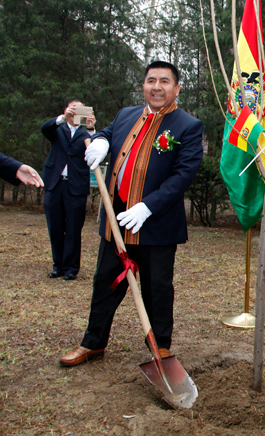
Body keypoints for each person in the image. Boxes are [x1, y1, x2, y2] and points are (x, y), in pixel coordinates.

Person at [59, 61, 203, 367]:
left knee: (158, 289)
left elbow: (183, 175)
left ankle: (160, 347)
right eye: (151, 80)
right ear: (143, 85)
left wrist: (148, 206)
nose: (157, 86)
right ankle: (93, 343)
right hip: (117, 220)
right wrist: (100, 141)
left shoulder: (187, 126)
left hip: (155, 223)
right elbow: (110, 134)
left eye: (165, 81)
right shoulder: (126, 114)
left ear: (176, 89)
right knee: (104, 284)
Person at [41, 100, 97, 281]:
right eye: (73, 109)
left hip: (76, 187)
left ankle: (71, 268)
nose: (75, 112)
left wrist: (91, 130)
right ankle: (58, 266)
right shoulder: (57, 129)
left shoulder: (86, 134)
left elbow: (96, 151)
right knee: (55, 227)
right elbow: (45, 128)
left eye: (79, 109)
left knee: (73, 229)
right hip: (54, 184)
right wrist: (62, 118)